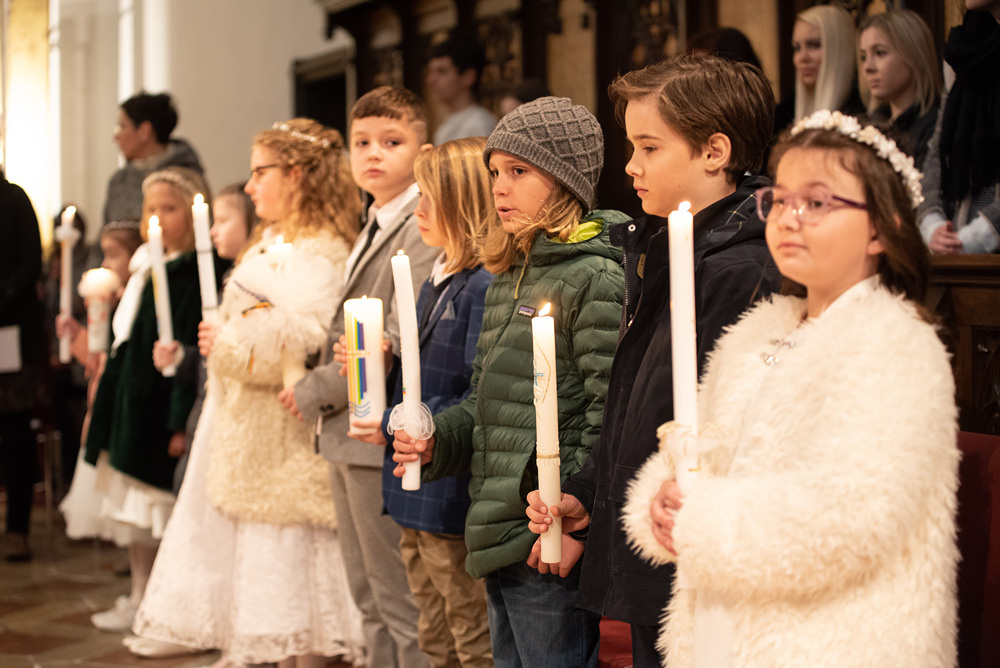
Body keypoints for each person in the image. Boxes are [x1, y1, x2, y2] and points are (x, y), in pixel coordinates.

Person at [622, 109, 959, 667]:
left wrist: (701, 518)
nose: (788, 217)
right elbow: (700, 449)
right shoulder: (758, 331)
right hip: (725, 619)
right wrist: (662, 497)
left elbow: (849, 517)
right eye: (779, 200)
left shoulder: (896, 343)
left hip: (835, 638)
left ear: (882, 227)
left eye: (817, 202)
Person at [524, 54, 782, 668]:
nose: (630, 166)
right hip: (650, 532)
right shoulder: (662, 244)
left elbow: (723, 425)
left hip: (697, 548)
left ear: (714, 152)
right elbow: (637, 405)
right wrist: (588, 495)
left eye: (648, 147)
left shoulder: (743, 269)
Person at [392, 96, 628, 668]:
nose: (499, 187)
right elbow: (486, 404)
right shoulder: (509, 275)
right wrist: (435, 440)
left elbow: (610, 415)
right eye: (495, 172)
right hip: (498, 524)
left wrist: (574, 523)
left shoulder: (595, 276)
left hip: (545, 529)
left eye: (519, 171)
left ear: (565, 180)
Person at [130, 120, 365, 667]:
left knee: (295, 595)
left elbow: (300, 346)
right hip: (250, 434)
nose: (251, 185)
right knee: (267, 592)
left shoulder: (322, 251)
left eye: (262, 172)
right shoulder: (269, 241)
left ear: (297, 176)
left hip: (284, 441)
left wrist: (224, 348)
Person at [287, 87, 438, 668]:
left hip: (376, 426)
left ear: (422, 149)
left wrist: (311, 390)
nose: (373, 154)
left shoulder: (418, 225)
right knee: (366, 593)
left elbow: (390, 338)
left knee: (397, 597)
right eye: (362, 143)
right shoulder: (374, 219)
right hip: (347, 429)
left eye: (392, 142)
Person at [341, 137, 495, 668]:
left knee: (468, 630)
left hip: (447, 488)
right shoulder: (435, 280)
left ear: (465, 205)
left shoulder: (482, 286)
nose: (419, 210)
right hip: (410, 489)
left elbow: (473, 391)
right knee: (431, 627)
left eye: (430, 198)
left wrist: (389, 421)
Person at [83, 166, 207, 631]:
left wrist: (178, 423)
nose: (157, 217)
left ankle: (164, 603)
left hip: (159, 407)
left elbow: (183, 350)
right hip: (130, 402)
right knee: (133, 516)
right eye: (151, 208)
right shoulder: (143, 268)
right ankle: (138, 594)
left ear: (192, 214)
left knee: (157, 512)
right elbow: (126, 336)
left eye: (169, 208)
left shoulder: (192, 273)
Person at [59, 220, 143, 543]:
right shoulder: (108, 301)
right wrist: (77, 336)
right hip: (103, 394)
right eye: (104, 254)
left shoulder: (135, 300)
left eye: (114, 254)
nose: (106, 264)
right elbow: (97, 355)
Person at [919, 3, 1000, 255]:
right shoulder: (965, 49)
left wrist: (982, 234)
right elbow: (938, 146)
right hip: (959, 251)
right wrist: (931, 222)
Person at [0, 168, 44, 562]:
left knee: (15, 431)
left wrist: (4, 297)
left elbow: (32, 263)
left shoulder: (13, 199)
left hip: (10, 331)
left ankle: (17, 528)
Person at [104, 92, 204, 227]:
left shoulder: (186, 178)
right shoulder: (119, 180)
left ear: (144, 131)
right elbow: (106, 232)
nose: (116, 137)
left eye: (121, 127)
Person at [859, 10, 942, 170]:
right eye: (863, 57)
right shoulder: (870, 124)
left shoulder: (935, 129)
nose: (867, 67)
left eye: (880, 53)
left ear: (914, 55)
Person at [775, 4, 863, 133]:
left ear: (840, 50)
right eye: (797, 48)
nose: (802, 58)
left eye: (814, 45)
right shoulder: (782, 117)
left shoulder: (859, 122)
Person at [426, 35, 498, 145]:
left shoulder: (479, 123)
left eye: (441, 71)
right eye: (431, 72)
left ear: (468, 77)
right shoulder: (445, 126)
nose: (431, 80)